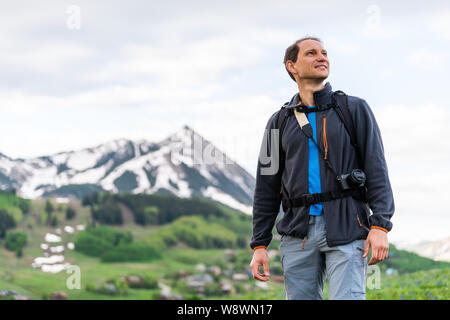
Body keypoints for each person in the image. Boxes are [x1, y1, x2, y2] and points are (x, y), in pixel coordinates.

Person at [249, 36, 395, 300]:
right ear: (291, 66)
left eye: (324, 53)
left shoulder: (354, 109)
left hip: (348, 226)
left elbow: (376, 168)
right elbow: (266, 185)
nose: (322, 57)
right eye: (311, 53)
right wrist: (259, 243)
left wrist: (380, 225)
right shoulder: (277, 121)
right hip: (297, 234)